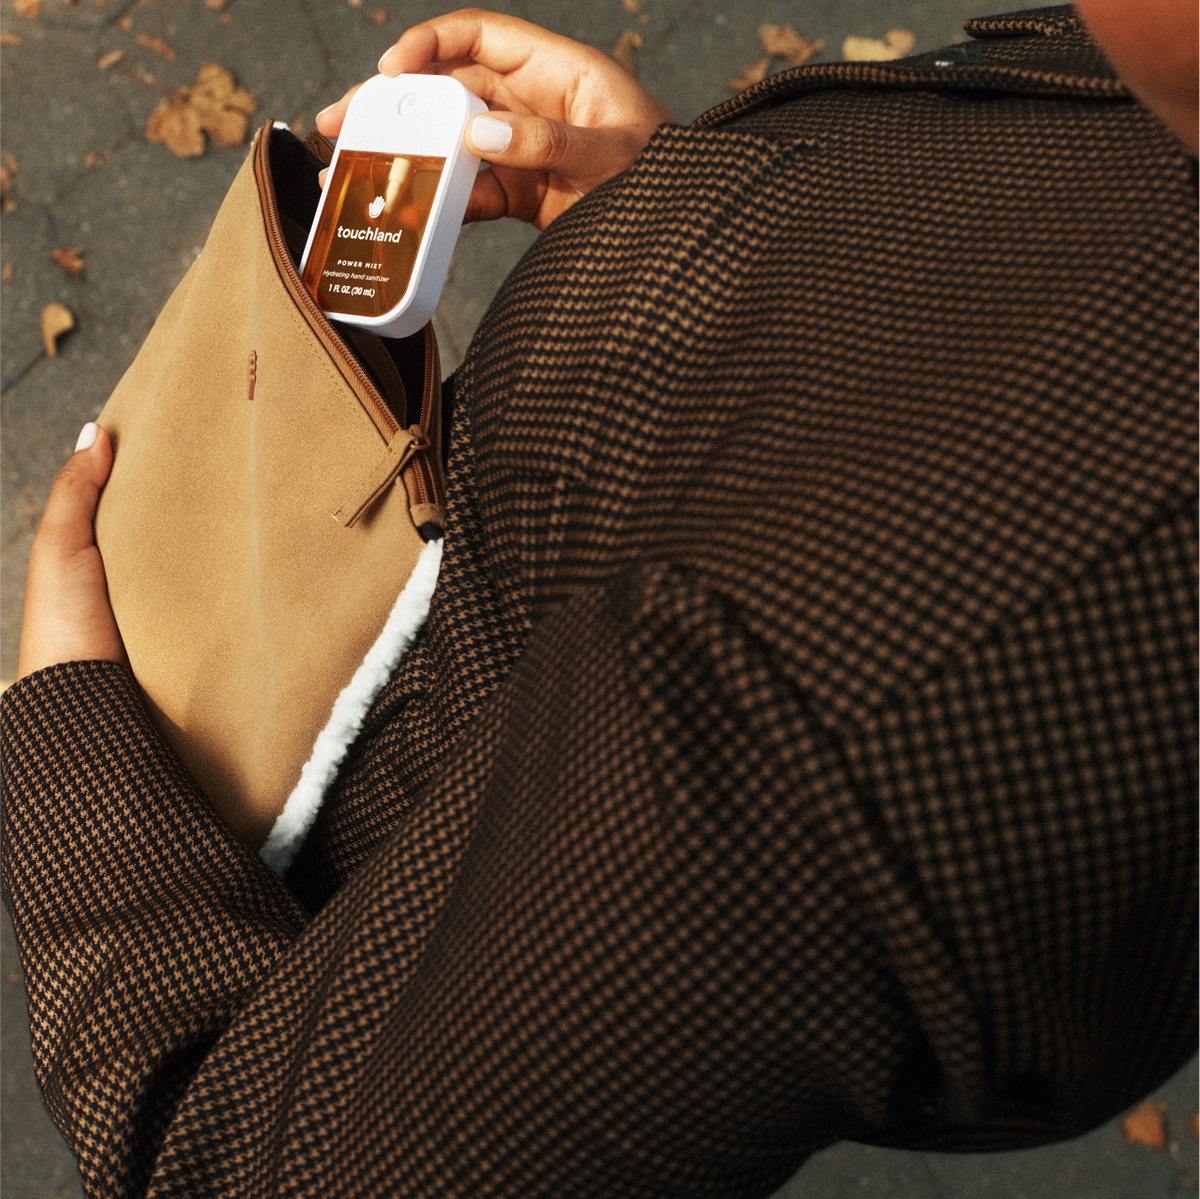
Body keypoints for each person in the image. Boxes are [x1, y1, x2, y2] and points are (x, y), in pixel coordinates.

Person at [6, 4, 1200, 1196]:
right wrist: (690, 223)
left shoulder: (833, 713)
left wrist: (66, 740)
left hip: (315, 828)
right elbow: (972, 325)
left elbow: (254, 1165)